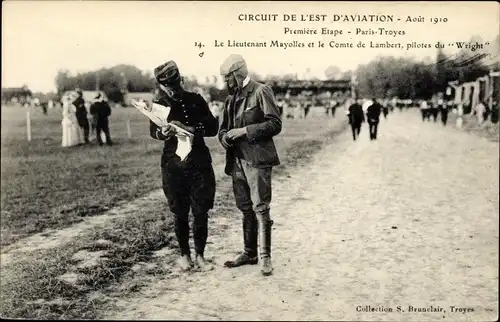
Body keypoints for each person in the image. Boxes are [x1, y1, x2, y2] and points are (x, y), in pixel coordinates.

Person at [149, 60, 219, 272]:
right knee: (179, 212)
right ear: (162, 86)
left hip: (198, 163)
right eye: (167, 88)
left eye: (175, 86)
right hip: (174, 165)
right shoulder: (159, 104)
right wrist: (163, 133)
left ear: (181, 80)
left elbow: (213, 127)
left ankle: (200, 255)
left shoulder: (196, 100)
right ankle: (184, 256)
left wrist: (188, 127)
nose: (172, 91)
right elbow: (153, 131)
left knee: (200, 210)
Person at [218, 54, 282, 276]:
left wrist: (245, 131)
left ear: (238, 73)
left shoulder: (261, 91)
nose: (226, 83)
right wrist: (225, 136)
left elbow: (275, 123)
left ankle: (265, 257)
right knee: (245, 207)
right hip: (236, 160)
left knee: (260, 208)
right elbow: (223, 130)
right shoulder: (229, 100)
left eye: (228, 78)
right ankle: (249, 252)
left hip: (257, 159)